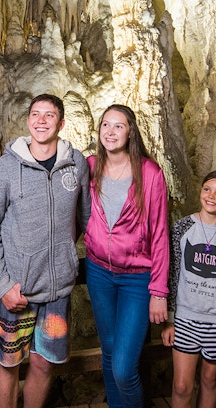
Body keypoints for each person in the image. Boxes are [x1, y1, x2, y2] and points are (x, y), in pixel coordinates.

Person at [0, 93, 91, 408]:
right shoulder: (6, 167)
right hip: (18, 291)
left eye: (49, 115)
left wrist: (64, 252)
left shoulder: (76, 163)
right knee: (9, 363)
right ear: (28, 120)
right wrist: (3, 286)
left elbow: (84, 217)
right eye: (36, 114)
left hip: (58, 290)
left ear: (62, 123)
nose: (41, 120)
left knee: (44, 364)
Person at [84, 104, 170, 408]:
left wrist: (159, 291)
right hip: (98, 273)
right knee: (108, 353)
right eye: (106, 125)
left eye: (118, 126)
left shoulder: (149, 173)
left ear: (130, 131)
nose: (110, 131)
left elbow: (160, 234)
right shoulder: (89, 166)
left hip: (137, 279)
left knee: (123, 366)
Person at [161, 170, 216, 408]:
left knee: (210, 381)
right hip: (185, 319)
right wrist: (169, 320)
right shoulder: (182, 228)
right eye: (207, 189)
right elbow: (172, 273)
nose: (211, 196)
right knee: (181, 385)